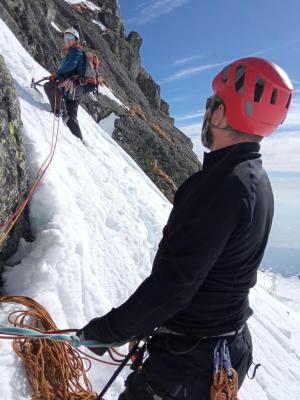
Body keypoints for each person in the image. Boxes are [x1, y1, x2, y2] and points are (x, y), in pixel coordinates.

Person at [77, 57, 293, 399]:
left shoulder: (220, 185)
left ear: (220, 114)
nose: (207, 114)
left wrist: (108, 330)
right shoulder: (255, 179)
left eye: (211, 105)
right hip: (224, 349)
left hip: (188, 364)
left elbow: (176, 283)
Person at [44, 28, 85, 142]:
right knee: (72, 117)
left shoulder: (76, 51)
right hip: (79, 89)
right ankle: (80, 140)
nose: (67, 40)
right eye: (65, 38)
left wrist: (57, 76)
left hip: (74, 86)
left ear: (76, 40)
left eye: (70, 38)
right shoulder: (77, 52)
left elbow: (70, 66)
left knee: (49, 86)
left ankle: (59, 112)